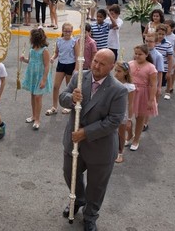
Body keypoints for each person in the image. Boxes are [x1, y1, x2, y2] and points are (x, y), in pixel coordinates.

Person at [59, 49, 127, 231]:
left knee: (97, 186)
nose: (96, 66)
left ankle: (90, 215)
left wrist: (86, 132)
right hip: (73, 142)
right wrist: (72, 99)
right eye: (95, 61)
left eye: (102, 64)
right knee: (69, 173)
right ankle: (78, 198)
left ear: (112, 67)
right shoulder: (79, 77)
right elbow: (62, 97)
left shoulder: (118, 90)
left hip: (100, 147)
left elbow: (114, 121)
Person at [20, 27, 52, 130]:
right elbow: (30, 61)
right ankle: (33, 116)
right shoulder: (32, 49)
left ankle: (38, 119)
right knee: (33, 95)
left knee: (38, 97)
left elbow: (47, 66)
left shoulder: (44, 50)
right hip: (32, 76)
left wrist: (44, 80)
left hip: (40, 76)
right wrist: (23, 59)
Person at [128, 45, 157, 152]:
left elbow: (153, 85)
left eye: (140, 54)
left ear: (146, 55)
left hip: (143, 94)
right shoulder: (130, 64)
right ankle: (129, 135)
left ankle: (136, 140)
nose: (137, 56)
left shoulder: (151, 67)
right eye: (136, 53)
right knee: (128, 117)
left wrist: (150, 100)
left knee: (139, 118)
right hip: (131, 93)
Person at [48, 22, 80, 116]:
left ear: (72, 31)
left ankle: (68, 106)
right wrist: (53, 57)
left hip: (70, 65)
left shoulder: (74, 42)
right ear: (62, 31)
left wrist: (76, 69)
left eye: (69, 31)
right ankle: (54, 106)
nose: (67, 33)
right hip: (61, 64)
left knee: (69, 87)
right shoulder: (59, 41)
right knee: (55, 86)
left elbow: (77, 56)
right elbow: (57, 53)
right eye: (66, 31)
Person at [114, 61, 135, 164]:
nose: (116, 73)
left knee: (120, 133)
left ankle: (120, 152)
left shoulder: (129, 87)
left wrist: (129, 119)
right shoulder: (112, 82)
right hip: (112, 111)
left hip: (123, 112)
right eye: (115, 70)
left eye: (119, 71)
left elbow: (130, 104)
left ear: (125, 73)